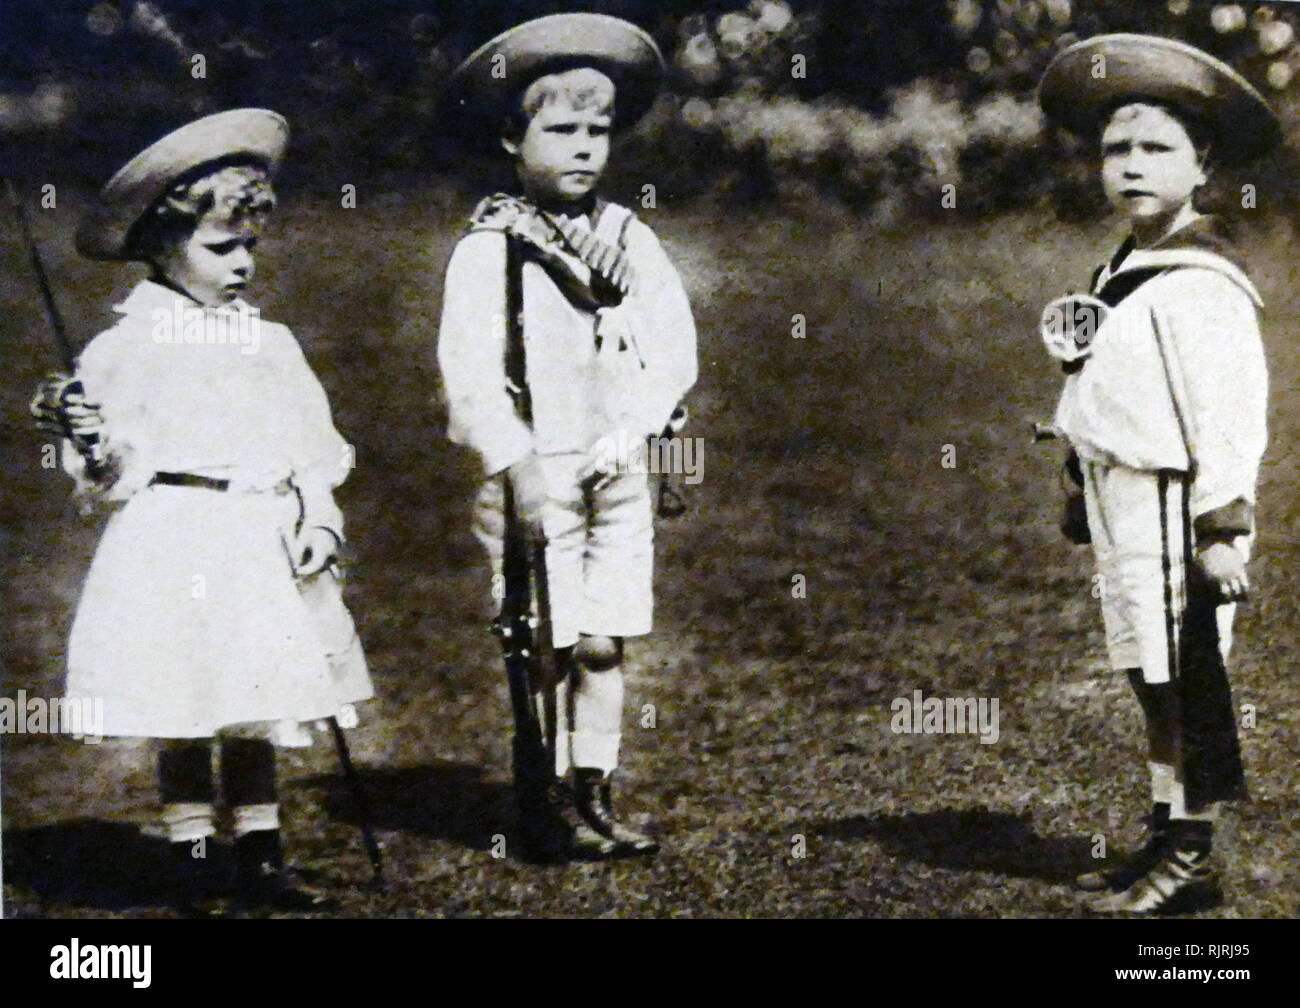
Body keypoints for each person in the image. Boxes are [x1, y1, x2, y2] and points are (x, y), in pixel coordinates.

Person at [31, 108, 372, 914]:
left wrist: (319, 520)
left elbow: (305, 449)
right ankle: (189, 855)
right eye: (221, 248)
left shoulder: (271, 344)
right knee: (185, 704)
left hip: (255, 539)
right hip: (171, 540)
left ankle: (258, 853)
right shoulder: (125, 348)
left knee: (253, 703)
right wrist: (88, 435)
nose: (242, 263)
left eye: (249, 244)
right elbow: (109, 473)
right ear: (160, 247)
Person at [437, 14, 698, 860]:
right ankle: (542, 798)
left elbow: (673, 350)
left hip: (615, 461)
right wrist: (512, 465)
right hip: (535, 469)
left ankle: (597, 790)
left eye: (598, 131)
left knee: (602, 639)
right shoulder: (491, 250)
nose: (584, 148)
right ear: (514, 136)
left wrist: (642, 428)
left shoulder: (628, 239)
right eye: (561, 129)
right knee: (543, 642)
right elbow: (470, 375)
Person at [1037, 34, 1278, 914]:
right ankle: (1168, 832)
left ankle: (1193, 856)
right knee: (1147, 673)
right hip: (1122, 500)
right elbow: (1111, 384)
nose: (1131, 167)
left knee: (1185, 676)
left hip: (1178, 508)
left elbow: (1229, 413)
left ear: (1202, 162)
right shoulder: (1124, 267)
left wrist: (1224, 528)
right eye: (1116, 151)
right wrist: (1078, 479)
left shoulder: (1201, 280)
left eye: (1156, 149)